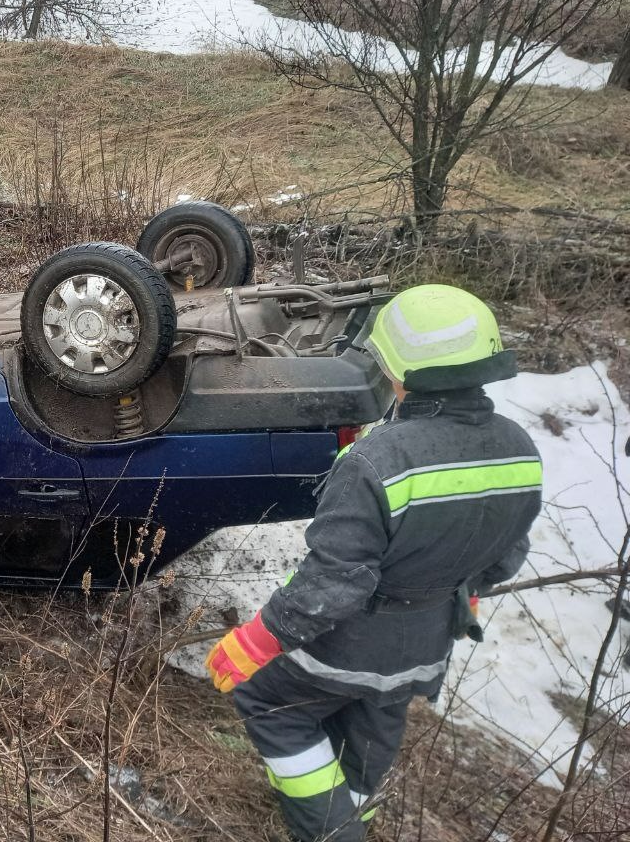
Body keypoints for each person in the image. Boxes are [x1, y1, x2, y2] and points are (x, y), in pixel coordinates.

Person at [205, 284, 542, 842]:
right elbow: (506, 558)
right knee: (372, 727)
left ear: (399, 374)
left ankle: (337, 833)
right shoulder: (520, 447)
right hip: (428, 646)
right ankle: (353, 813)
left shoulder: (376, 458)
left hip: (353, 643)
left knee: (270, 705)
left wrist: (258, 640)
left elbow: (337, 582)